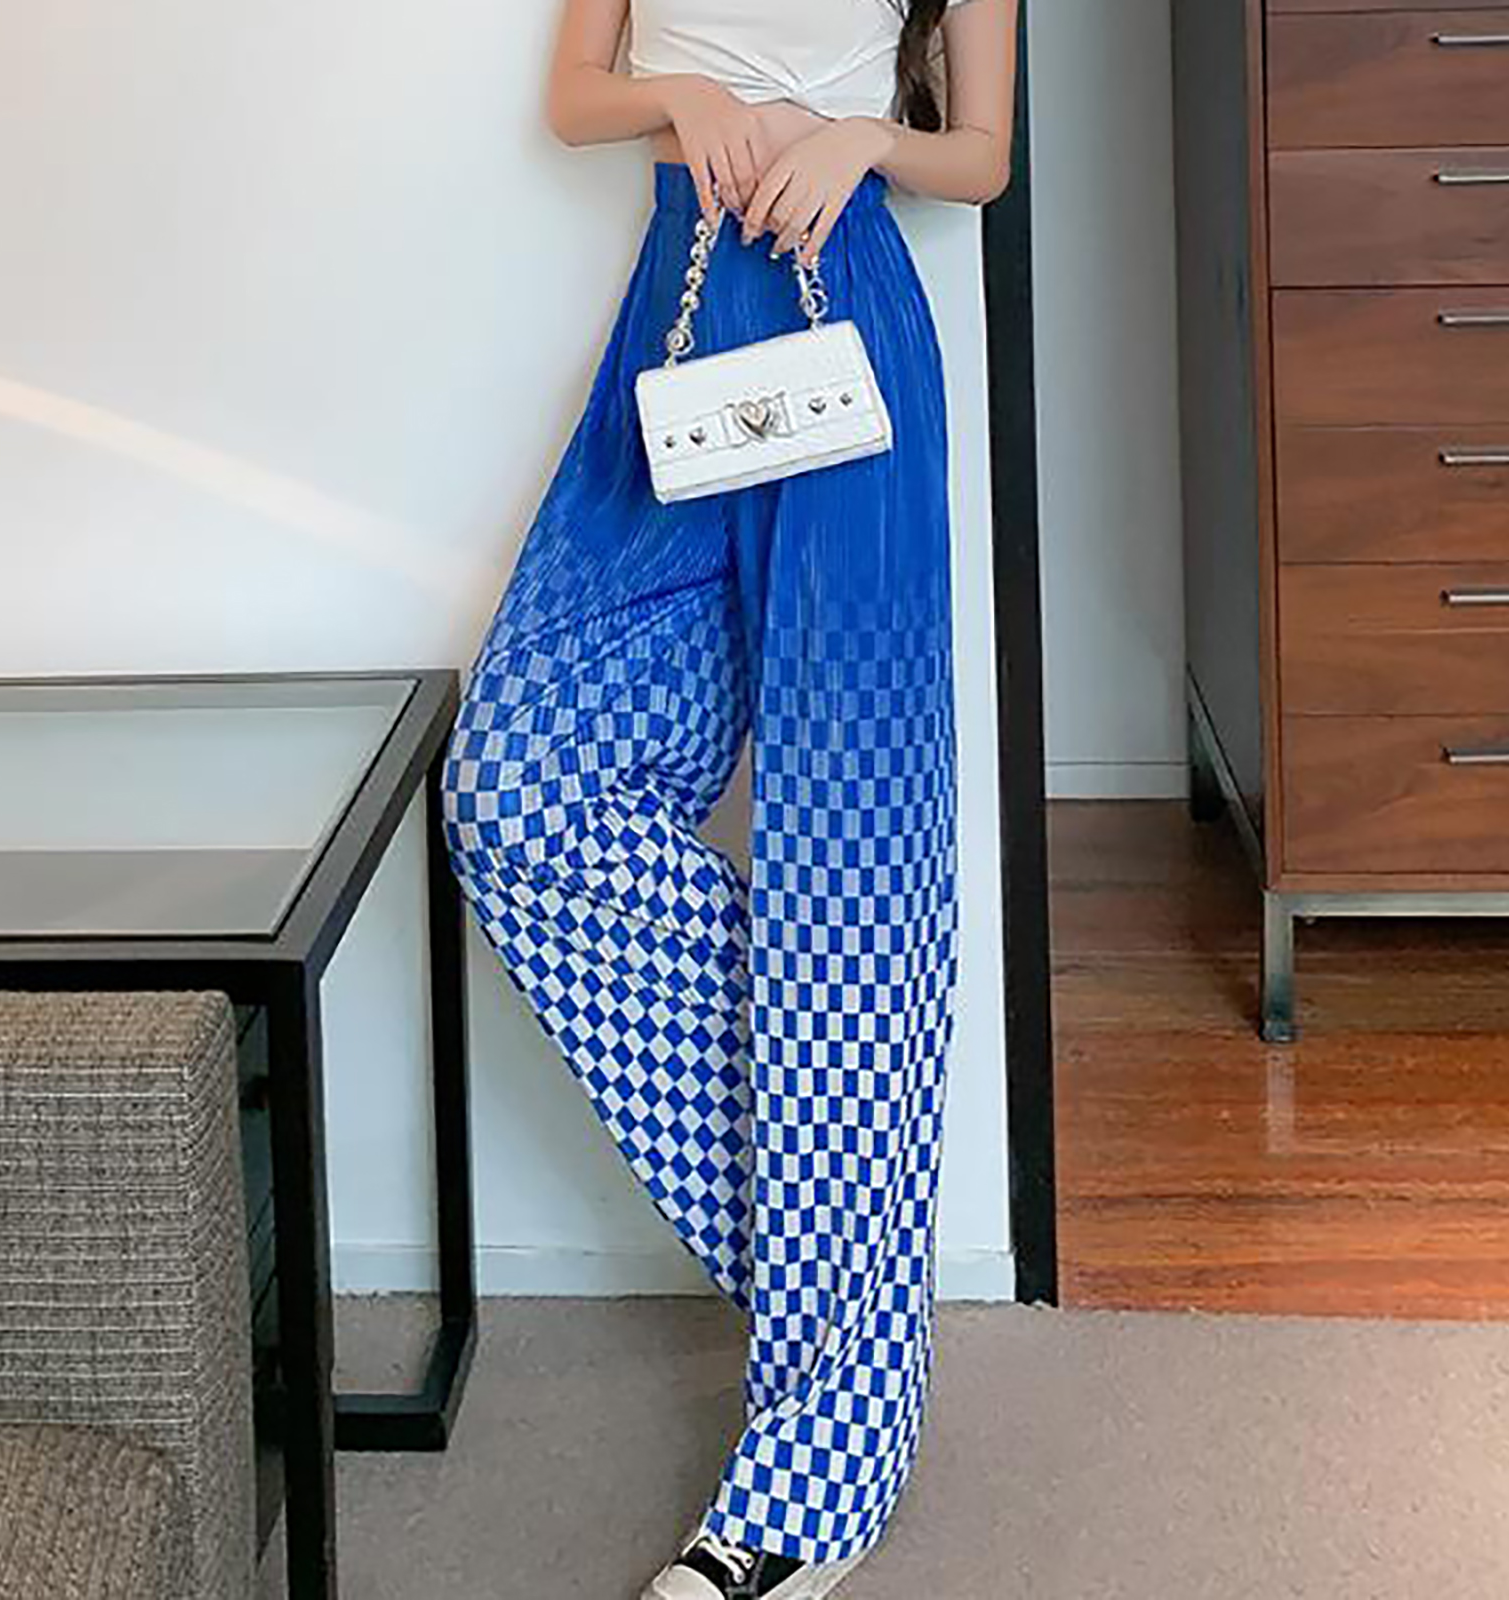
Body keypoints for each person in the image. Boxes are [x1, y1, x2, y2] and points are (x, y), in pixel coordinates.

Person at [441, 2, 1017, 1595]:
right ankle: (853, 1298)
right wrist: (681, 95)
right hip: (679, 332)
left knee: (852, 870)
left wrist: (869, 139)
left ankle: (808, 1482)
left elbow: (983, 155)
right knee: (518, 789)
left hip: (854, 331)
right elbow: (575, 95)